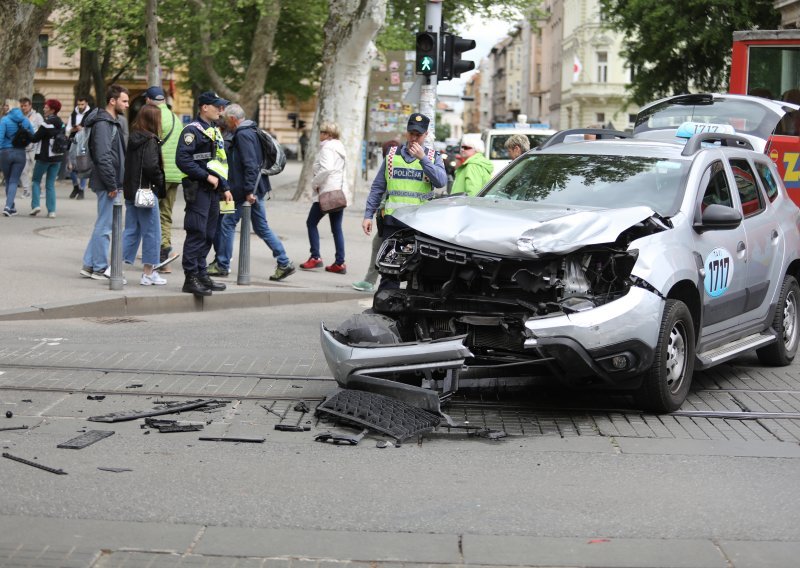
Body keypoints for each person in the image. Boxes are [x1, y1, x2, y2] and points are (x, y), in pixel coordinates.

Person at [208, 103, 295, 281]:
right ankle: (284, 262)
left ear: (233, 119)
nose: (225, 123)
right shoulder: (251, 131)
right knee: (261, 227)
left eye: (226, 120)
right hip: (254, 188)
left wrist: (248, 191)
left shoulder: (243, 135)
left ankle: (222, 264)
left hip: (246, 191)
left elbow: (250, 165)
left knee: (227, 223)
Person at [362, 113, 447, 290]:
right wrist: (368, 215)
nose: (414, 138)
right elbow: (377, 188)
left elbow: (441, 181)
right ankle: (386, 309)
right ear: (406, 133)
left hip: (419, 225)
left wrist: (423, 159)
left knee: (418, 271)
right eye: (412, 133)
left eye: (419, 135)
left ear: (425, 135)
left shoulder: (432, 157)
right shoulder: (392, 155)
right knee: (389, 269)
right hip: (393, 224)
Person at [175, 90, 233, 297]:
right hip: (198, 189)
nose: (221, 110)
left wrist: (225, 187)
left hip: (213, 191)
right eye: (218, 106)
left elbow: (218, 162)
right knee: (197, 232)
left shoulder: (213, 130)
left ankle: (201, 273)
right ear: (204, 107)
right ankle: (190, 277)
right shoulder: (192, 130)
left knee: (209, 234)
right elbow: (182, 159)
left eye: (222, 106)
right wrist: (205, 176)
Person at [80, 84, 129, 281]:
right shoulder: (103, 123)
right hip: (108, 181)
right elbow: (103, 156)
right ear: (113, 101)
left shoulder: (111, 122)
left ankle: (89, 264)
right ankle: (99, 268)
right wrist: (112, 184)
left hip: (110, 180)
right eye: (124, 101)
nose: (127, 104)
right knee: (105, 226)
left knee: (103, 223)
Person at [121, 103, 167, 286]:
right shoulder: (150, 140)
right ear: (153, 120)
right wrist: (160, 181)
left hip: (132, 192)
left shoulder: (134, 138)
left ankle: (114, 267)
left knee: (131, 231)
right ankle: (149, 273)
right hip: (146, 192)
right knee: (152, 232)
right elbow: (150, 166)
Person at [299, 121, 349, 274]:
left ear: (327, 134)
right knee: (336, 228)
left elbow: (326, 169)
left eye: (322, 132)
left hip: (327, 192)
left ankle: (315, 257)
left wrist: (314, 183)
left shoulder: (327, 148)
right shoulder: (340, 148)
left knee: (311, 223)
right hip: (338, 192)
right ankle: (340, 262)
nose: (319, 135)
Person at [351, 138, 399, 293]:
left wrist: (370, 214)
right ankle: (371, 281)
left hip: (391, 220)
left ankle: (372, 282)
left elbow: (381, 192)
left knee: (383, 249)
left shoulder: (392, 167)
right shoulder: (393, 164)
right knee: (380, 247)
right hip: (390, 220)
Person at [144, 86, 182, 273]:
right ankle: (164, 256)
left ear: (149, 100)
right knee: (165, 214)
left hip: (158, 173)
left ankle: (159, 254)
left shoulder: (152, 117)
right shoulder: (176, 118)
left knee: (150, 215)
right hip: (175, 174)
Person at [29, 99, 66, 218]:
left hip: (44, 157)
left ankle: (35, 205)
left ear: (52, 110)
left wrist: (28, 130)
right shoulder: (61, 123)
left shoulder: (46, 124)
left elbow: (35, 138)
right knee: (50, 184)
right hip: (58, 157)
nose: (44, 109)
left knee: (36, 180)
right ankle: (52, 211)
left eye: (46, 107)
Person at [0, 102, 35, 217]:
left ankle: (8, 206)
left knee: (8, 179)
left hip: (5, 152)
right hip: (20, 153)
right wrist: (25, 143)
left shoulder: (4, 120)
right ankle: (10, 207)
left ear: (9, 108)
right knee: (14, 180)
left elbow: (0, 137)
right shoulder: (25, 120)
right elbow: (33, 136)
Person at [66, 96, 92, 199]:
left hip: (84, 142)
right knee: (71, 166)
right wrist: (73, 129)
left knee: (83, 166)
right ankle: (75, 186)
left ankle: (81, 189)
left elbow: (92, 129)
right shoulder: (73, 114)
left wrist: (83, 129)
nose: (80, 106)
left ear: (86, 104)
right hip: (73, 141)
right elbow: (67, 129)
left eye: (82, 104)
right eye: (79, 104)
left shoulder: (90, 114)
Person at [18, 97, 44, 199]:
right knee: (22, 170)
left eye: (25, 105)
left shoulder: (37, 116)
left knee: (37, 170)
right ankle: (26, 190)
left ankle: (41, 190)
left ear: (30, 106)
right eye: (22, 106)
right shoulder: (19, 116)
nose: (23, 108)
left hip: (35, 148)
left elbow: (42, 130)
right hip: (23, 148)